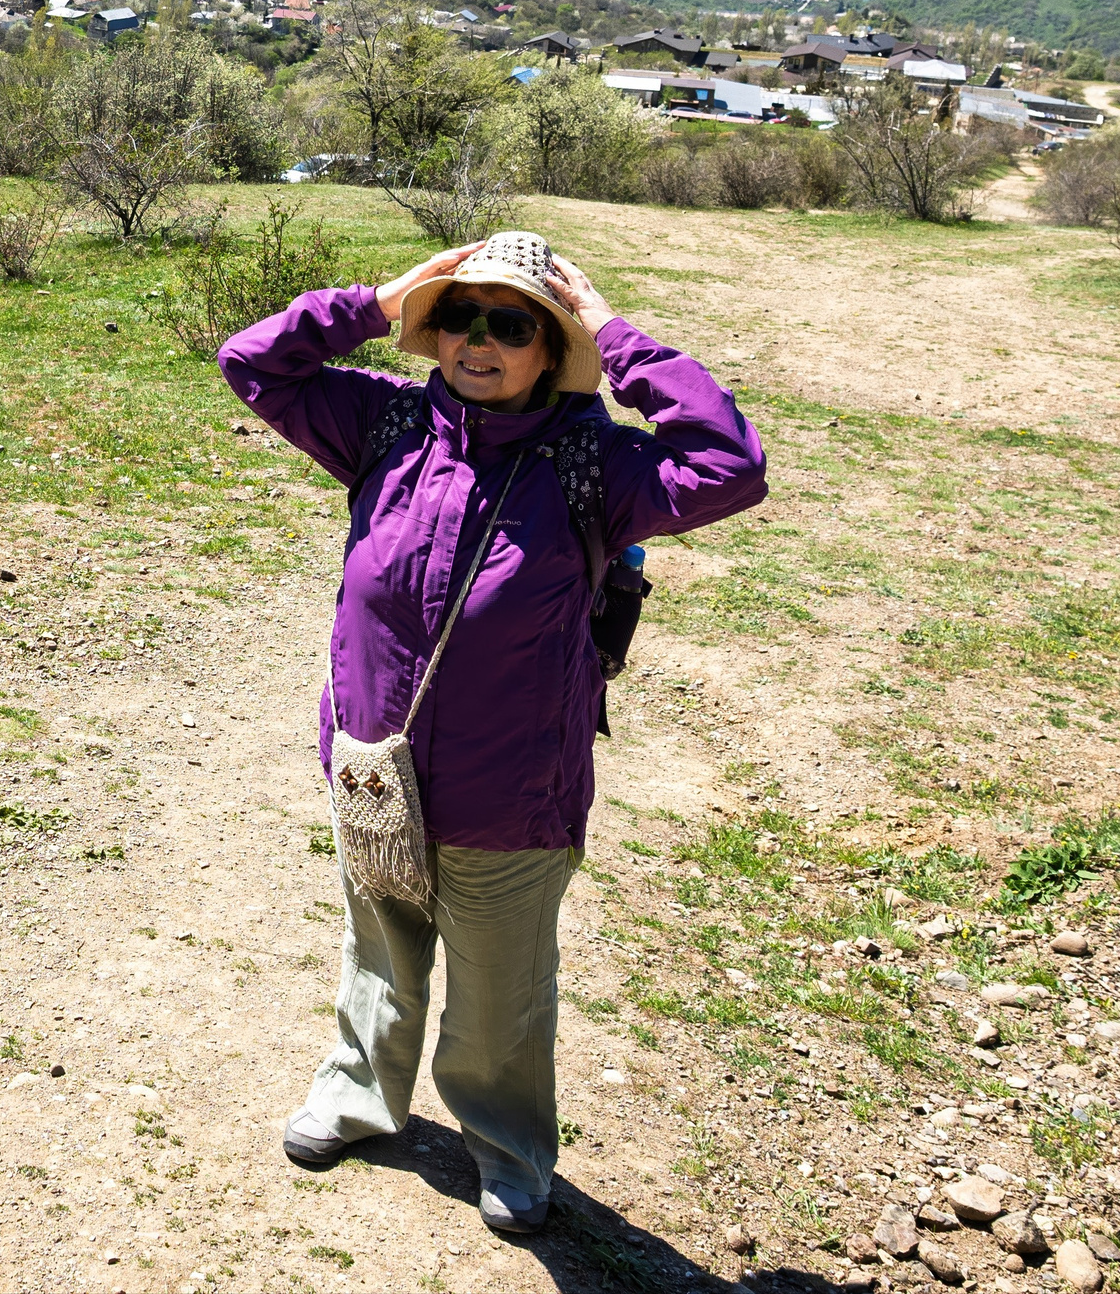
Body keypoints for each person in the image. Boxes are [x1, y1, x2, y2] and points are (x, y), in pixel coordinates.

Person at [216, 230, 766, 1234]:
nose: (478, 340)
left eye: (510, 325)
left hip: (509, 788)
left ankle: (506, 1149)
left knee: (495, 993)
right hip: (373, 765)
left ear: (550, 351)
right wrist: (379, 301)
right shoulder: (381, 423)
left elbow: (728, 465)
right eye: (459, 317)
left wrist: (617, 338)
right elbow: (250, 360)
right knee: (376, 950)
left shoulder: (597, 461)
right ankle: (357, 1096)